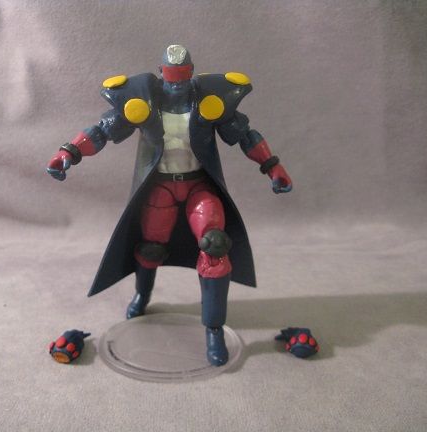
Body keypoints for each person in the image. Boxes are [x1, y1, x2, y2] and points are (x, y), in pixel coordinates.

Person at [47, 45, 292, 366]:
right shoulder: (143, 100)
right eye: (171, 79)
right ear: (161, 73)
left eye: (183, 78)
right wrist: (69, 152)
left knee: (215, 246)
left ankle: (213, 328)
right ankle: (143, 295)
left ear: (191, 73)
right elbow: (103, 130)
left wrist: (272, 165)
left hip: (199, 186)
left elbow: (245, 135)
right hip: (160, 188)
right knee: (150, 248)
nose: (177, 86)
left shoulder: (209, 100)